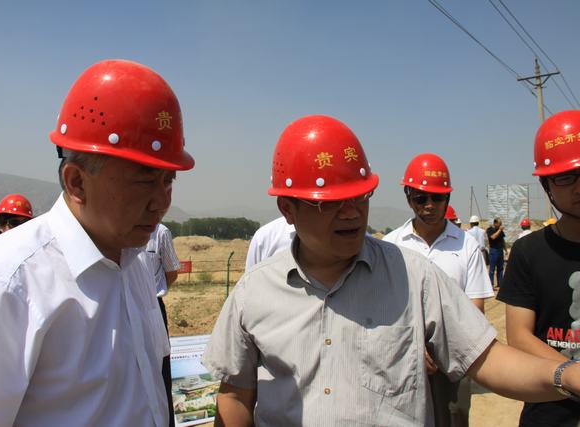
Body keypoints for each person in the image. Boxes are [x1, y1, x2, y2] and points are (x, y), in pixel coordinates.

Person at [202, 115, 580, 427]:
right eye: (330, 203)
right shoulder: (254, 293)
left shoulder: (414, 277)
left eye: (359, 196)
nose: (352, 213)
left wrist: (564, 375)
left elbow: (487, 359)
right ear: (288, 208)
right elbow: (235, 396)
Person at [0, 59, 194, 427]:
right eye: (143, 180)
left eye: (168, 181)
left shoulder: (133, 265)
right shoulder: (13, 281)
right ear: (76, 182)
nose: (161, 202)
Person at [383, 153, 494, 427]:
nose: (429, 205)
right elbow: (382, 308)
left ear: (447, 198)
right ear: (409, 198)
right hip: (401, 359)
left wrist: (442, 350)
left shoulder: (466, 246)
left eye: (437, 198)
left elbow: (475, 308)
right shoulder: (392, 245)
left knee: (453, 419)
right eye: (421, 198)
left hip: (453, 362)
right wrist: (414, 348)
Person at [498, 110, 580, 426]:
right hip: (549, 409)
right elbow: (519, 336)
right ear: (546, 184)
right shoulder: (529, 252)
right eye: (565, 177)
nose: (578, 187)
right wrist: (571, 375)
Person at [146, 222, 181, 427]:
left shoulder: (160, 232)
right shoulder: (116, 228)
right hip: (120, 306)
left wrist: (151, 294)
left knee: (160, 368)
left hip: (153, 307)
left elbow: (171, 272)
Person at [486, 217, 506, 288]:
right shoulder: (490, 229)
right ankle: (491, 285)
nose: (500, 225)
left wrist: (505, 249)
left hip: (500, 250)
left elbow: (502, 240)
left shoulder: (500, 231)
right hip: (493, 250)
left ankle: (500, 284)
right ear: (495, 223)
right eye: (499, 224)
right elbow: (493, 237)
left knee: (500, 269)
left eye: (501, 224)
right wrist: (499, 230)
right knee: (492, 269)